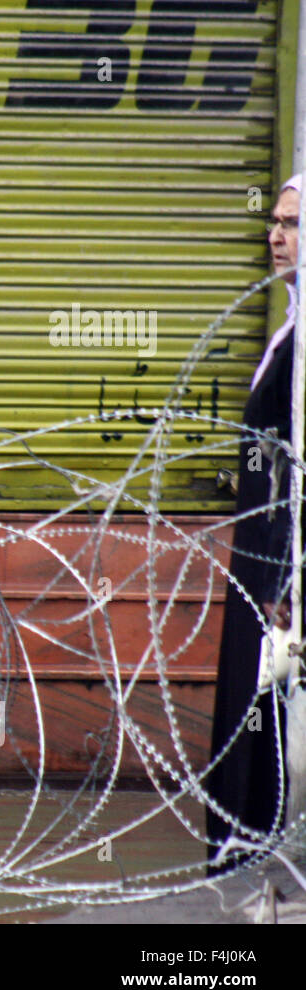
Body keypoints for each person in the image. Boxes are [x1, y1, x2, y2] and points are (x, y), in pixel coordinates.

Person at [205, 173, 303, 872]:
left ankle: (271, 855)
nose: (276, 235)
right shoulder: (288, 335)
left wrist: (287, 570)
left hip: (282, 558)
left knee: (276, 709)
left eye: (293, 224)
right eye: (273, 221)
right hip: (260, 552)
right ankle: (253, 853)